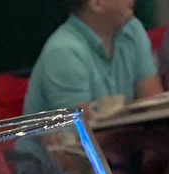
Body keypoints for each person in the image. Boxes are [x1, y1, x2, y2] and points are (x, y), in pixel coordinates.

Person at [24, 0, 162, 115]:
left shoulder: (132, 28)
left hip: (124, 137)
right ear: (97, 3)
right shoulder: (63, 51)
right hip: (78, 140)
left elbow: (154, 104)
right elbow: (84, 132)